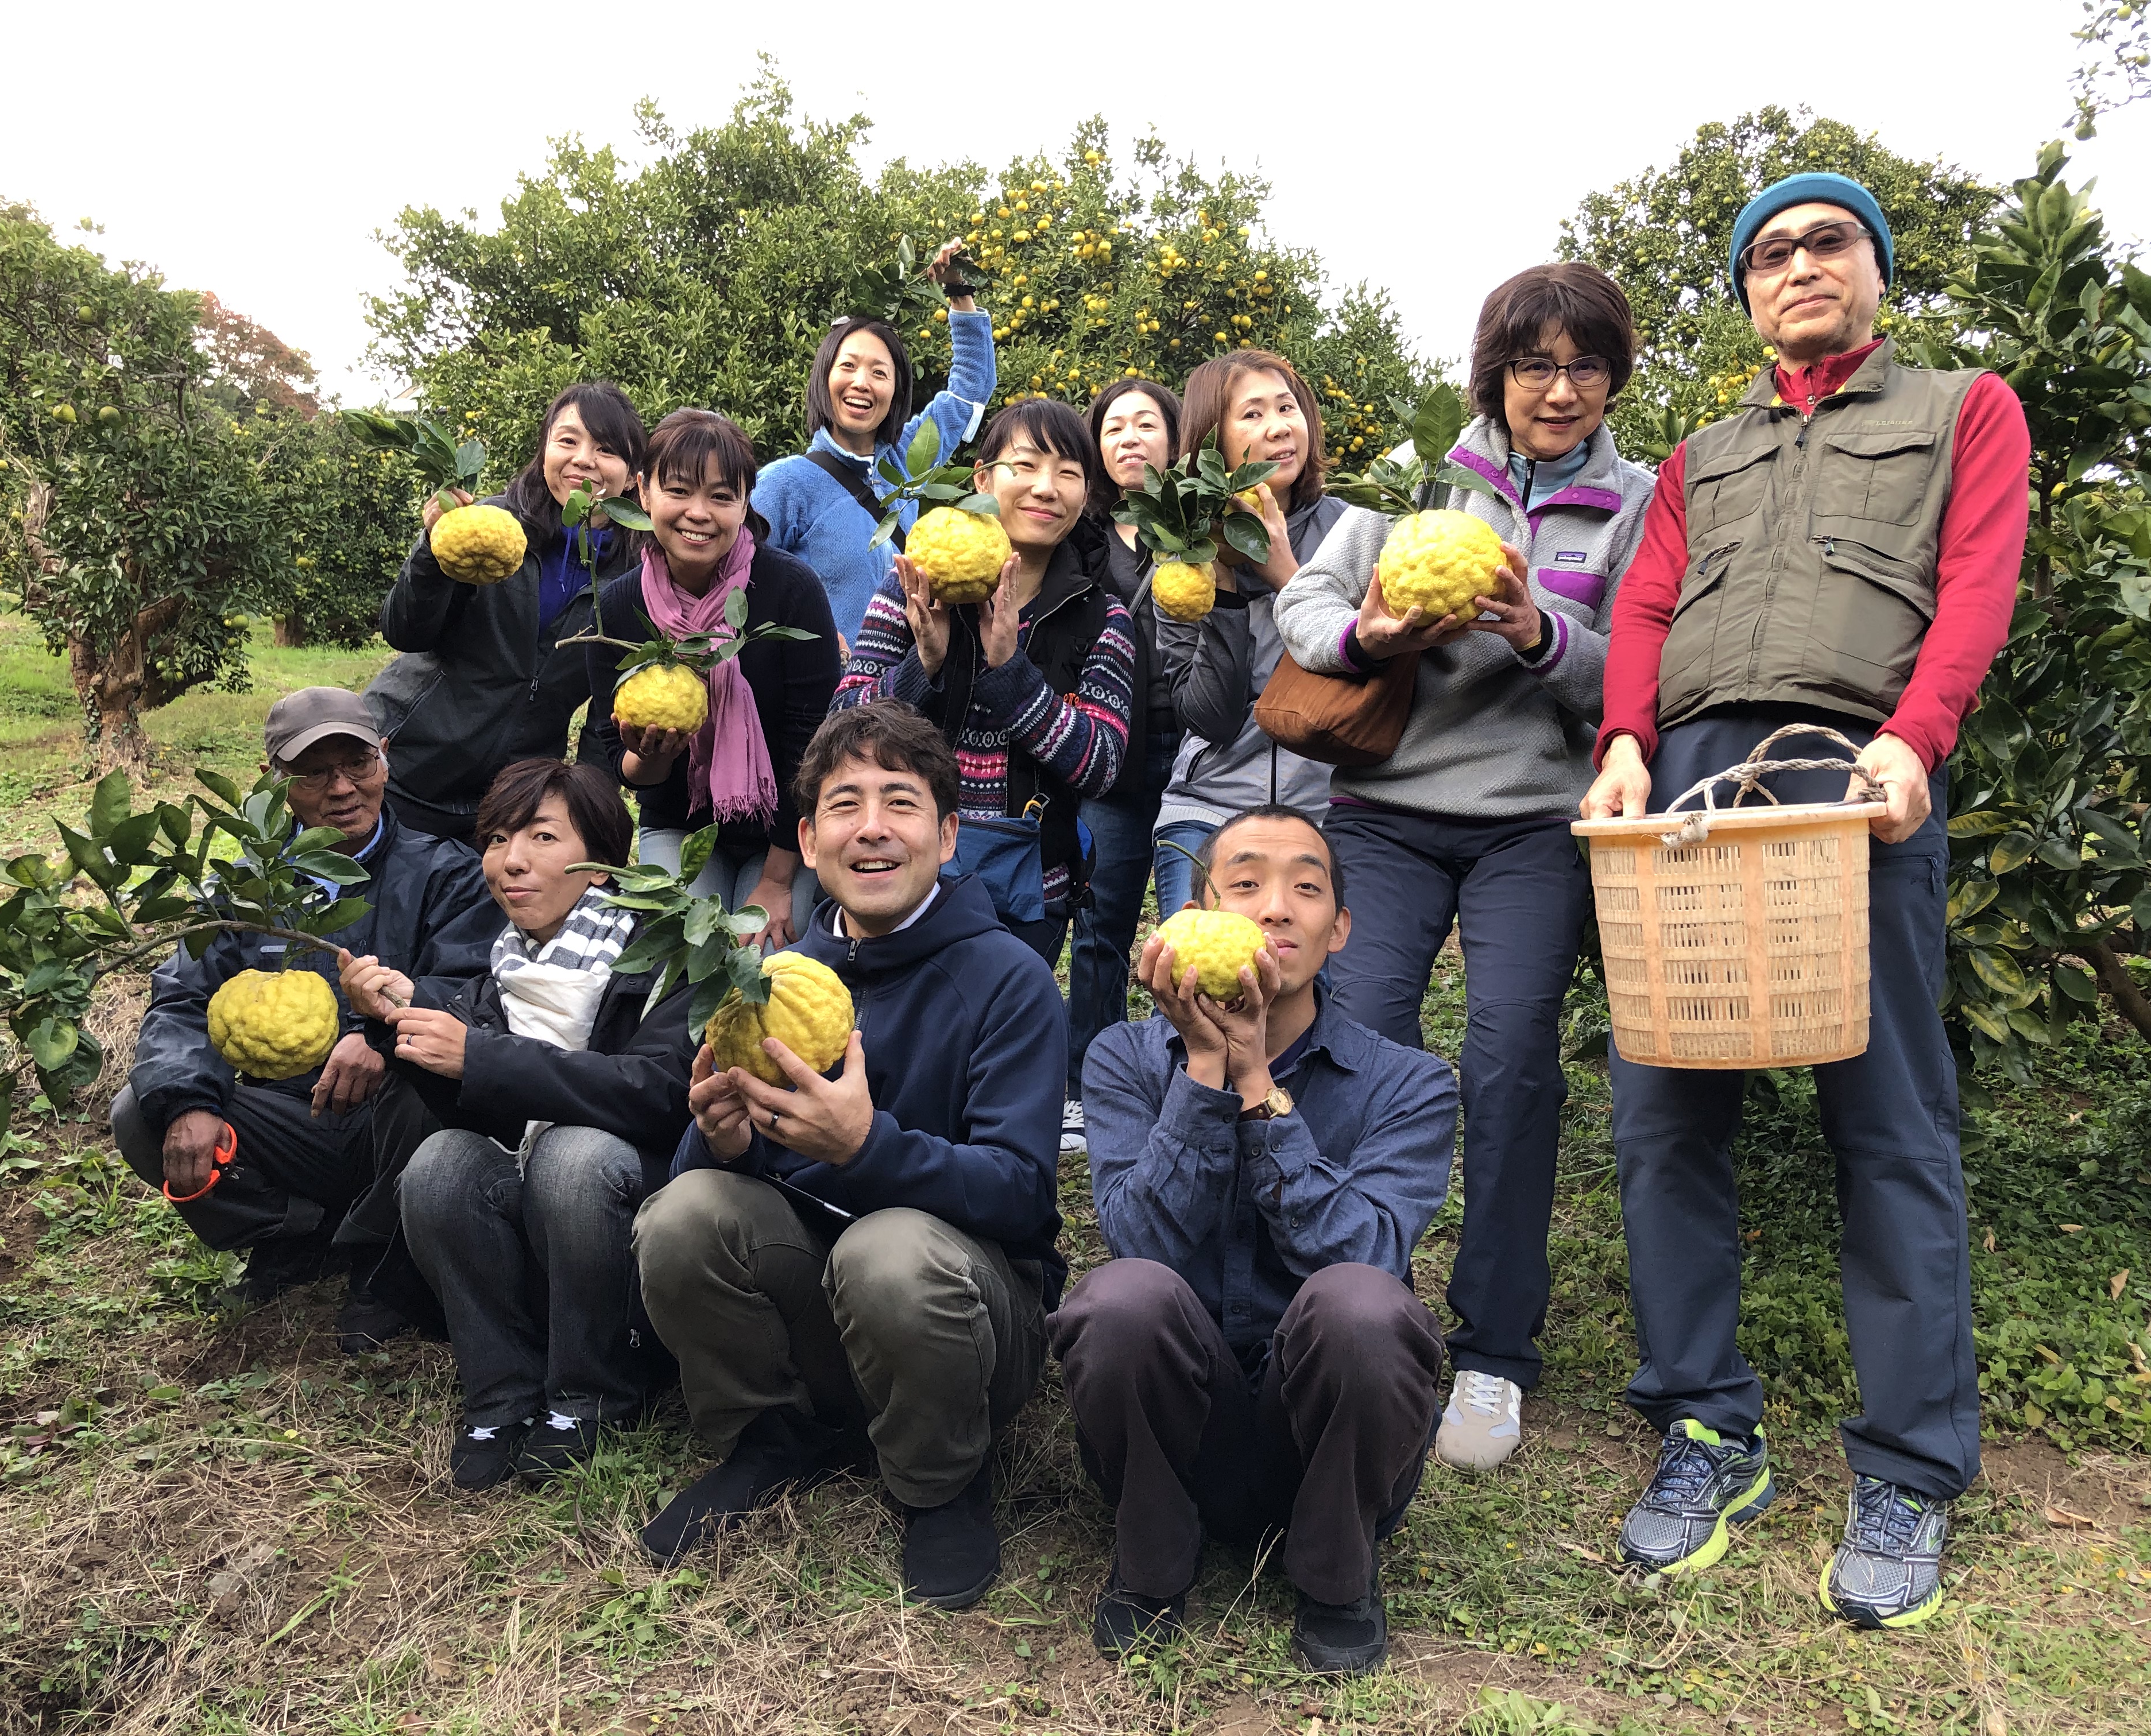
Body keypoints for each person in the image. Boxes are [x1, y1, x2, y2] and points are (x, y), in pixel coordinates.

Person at [1578, 174, 2028, 1629]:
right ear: (1750, 294)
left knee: (1888, 1116)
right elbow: (1645, 608)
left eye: (1827, 242)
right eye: (1769, 254)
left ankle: (1907, 1462)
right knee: (1661, 1109)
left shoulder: (1964, 408)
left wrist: (1920, 734)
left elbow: (1976, 579)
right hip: (1694, 787)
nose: (1800, 266)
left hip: (1860, 769)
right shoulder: (1701, 456)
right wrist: (1626, 745)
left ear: (1876, 268)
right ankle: (1707, 1423)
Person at [1274, 264, 1655, 1472]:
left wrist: (1543, 632)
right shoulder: (1417, 489)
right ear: (1495, 374)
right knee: (1356, 1038)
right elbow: (1305, 609)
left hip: (1533, 822)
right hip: (1385, 813)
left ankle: (1494, 1351)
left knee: (1508, 1065)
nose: (1558, 389)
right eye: (1534, 364)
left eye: (1583, 366)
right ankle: (1335, 1293)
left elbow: (1641, 671)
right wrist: (1369, 633)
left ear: (1610, 380)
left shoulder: (1640, 506)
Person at [631, 702, 1065, 1610]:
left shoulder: (1009, 979)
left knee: (890, 1249)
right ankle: (774, 1432)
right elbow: (704, 1185)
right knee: (679, 1216)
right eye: (845, 804)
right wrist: (724, 1140)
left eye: (900, 804)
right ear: (809, 839)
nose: (872, 828)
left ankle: (940, 1479)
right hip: (824, 1308)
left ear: (948, 837)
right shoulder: (771, 978)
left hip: (968, 1319)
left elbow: (1025, 1200)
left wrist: (866, 1147)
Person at [1055, 804, 1457, 1675]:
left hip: (1322, 1433)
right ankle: (1154, 1556)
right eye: (1244, 884)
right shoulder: (1124, 1059)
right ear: (1193, 917)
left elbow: (1369, 1259)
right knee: (1118, 1298)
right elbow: (1142, 1243)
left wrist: (1257, 1085)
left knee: (1364, 1306)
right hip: (1177, 1427)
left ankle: (1337, 1572)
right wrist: (1204, 1069)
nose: (1275, 908)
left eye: (1305, 888)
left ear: (1339, 928)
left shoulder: (1410, 1084)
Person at [110, 688, 502, 1348]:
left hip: (392, 1110)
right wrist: (188, 1102)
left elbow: (476, 985)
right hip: (290, 1116)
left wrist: (380, 1034)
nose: (342, 789)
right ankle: (296, 1234)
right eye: (314, 773)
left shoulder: (445, 873)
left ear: (387, 759)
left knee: (433, 1092)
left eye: (358, 765)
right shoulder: (243, 892)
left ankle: (389, 1261)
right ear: (274, 780)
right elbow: (181, 1000)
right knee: (140, 1114)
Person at [343, 759, 689, 1490]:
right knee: (440, 1163)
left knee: (572, 1155)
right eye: (498, 839)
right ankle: (501, 1391)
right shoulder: (503, 968)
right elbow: (486, 1112)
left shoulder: (668, 952)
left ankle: (593, 1391)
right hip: (543, 1211)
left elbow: (657, 1094)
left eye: (540, 836)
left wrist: (482, 1056)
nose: (512, 861)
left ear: (599, 865)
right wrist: (398, 1036)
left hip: (635, 1199)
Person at [832, 399, 1133, 964]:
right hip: (900, 867)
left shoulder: (1102, 619)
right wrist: (926, 665)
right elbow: (844, 726)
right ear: (983, 479)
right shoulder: (914, 589)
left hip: (1027, 893)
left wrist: (1010, 673)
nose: (1047, 488)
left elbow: (1101, 765)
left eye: (1069, 474)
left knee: (996, 1040)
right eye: (1026, 465)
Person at [584, 409, 842, 944]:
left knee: (761, 961)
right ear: (644, 492)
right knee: (683, 952)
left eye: (722, 497)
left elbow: (811, 746)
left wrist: (775, 880)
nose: (698, 513)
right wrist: (651, 758)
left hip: (787, 829)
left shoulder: (790, 592)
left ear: (746, 503)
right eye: (678, 490)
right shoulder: (618, 608)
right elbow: (624, 761)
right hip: (678, 819)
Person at [365, 382, 649, 842]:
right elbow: (406, 632)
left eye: (608, 449)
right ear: (544, 451)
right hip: (404, 767)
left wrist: (590, 814)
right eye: (568, 441)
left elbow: (606, 715)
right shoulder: (489, 527)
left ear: (634, 473)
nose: (584, 459)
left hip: (509, 802)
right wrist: (433, 550)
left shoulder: (634, 579)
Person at [1150, 350, 1348, 917]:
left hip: (1327, 810)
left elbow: (1370, 674)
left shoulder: (1352, 531)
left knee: (1317, 1001)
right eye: (1253, 414)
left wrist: (1285, 574)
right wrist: (1229, 589)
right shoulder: (1184, 559)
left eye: (1287, 408)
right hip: (1209, 808)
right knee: (1203, 988)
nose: (1279, 427)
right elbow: (1208, 717)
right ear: (1213, 443)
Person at [752, 248, 996, 642]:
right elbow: (736, 580)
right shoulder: (786, 483)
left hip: (902, 692)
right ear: (824, 378)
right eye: (847, 366)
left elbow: (972, 387)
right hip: (824, 697)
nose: (862, 383)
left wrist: (958, 289)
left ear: (896, 392)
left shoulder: (908, 459)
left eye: (879, 372)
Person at [1063, 378, 1186, 1150]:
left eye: (1148, 424)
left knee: (1186, 929)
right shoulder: (1080, 532)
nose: (1132, 437)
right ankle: (1088, 1084)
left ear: (1176, 439)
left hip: (1189, 750)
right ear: (1097, 447)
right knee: (1101, 926)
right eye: (1116, 427)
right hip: (1109, 758)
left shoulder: (1199, 527)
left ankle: (1185, 1082)